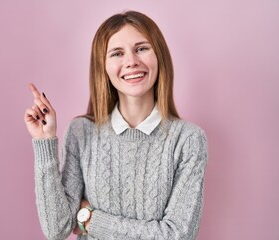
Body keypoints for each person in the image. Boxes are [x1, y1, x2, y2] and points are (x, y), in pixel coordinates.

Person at [24, 10, 208, 240]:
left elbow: (178, 235)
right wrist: (44, 142)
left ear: (159, 56)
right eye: (117, 53)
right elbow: (57, 228)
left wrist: (90, 219)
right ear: (103, 67)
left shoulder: (188, 140)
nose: (131, 62)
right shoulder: (81, 132)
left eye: (142, 48)